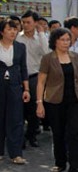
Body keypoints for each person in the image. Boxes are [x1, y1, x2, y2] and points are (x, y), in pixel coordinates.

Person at [36, 28, 78, 172]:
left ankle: (76, 165)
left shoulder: (75, 57)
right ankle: (60, 162)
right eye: (62, 40)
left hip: (74, 99)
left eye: (68, 40)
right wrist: (39, 102)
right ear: (55, 41)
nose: (66, 43)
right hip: (54, 100)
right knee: (58, 132)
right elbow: (41, 82)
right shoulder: (48, 58)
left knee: (74, 132)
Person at [16, 10, 50, 148]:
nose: (25, 25)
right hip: (19, 78)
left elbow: (46, 53)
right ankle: (20, 138)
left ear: (35, 23)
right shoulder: (17, 37)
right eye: (23, 22)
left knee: (34, 108)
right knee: (19, 109)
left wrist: (41, 33)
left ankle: (32, 135)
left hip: (35, 77)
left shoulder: (41, 37)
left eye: (28, 22)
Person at [0, 19, 30, 165]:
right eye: (9, 29)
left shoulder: (20, 47)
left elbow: (24, 68)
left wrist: (26, 89)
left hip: (15, 85)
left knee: (16, 119)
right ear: (2, 31)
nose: (13, 32)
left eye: (15, 29)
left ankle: (16, 153)